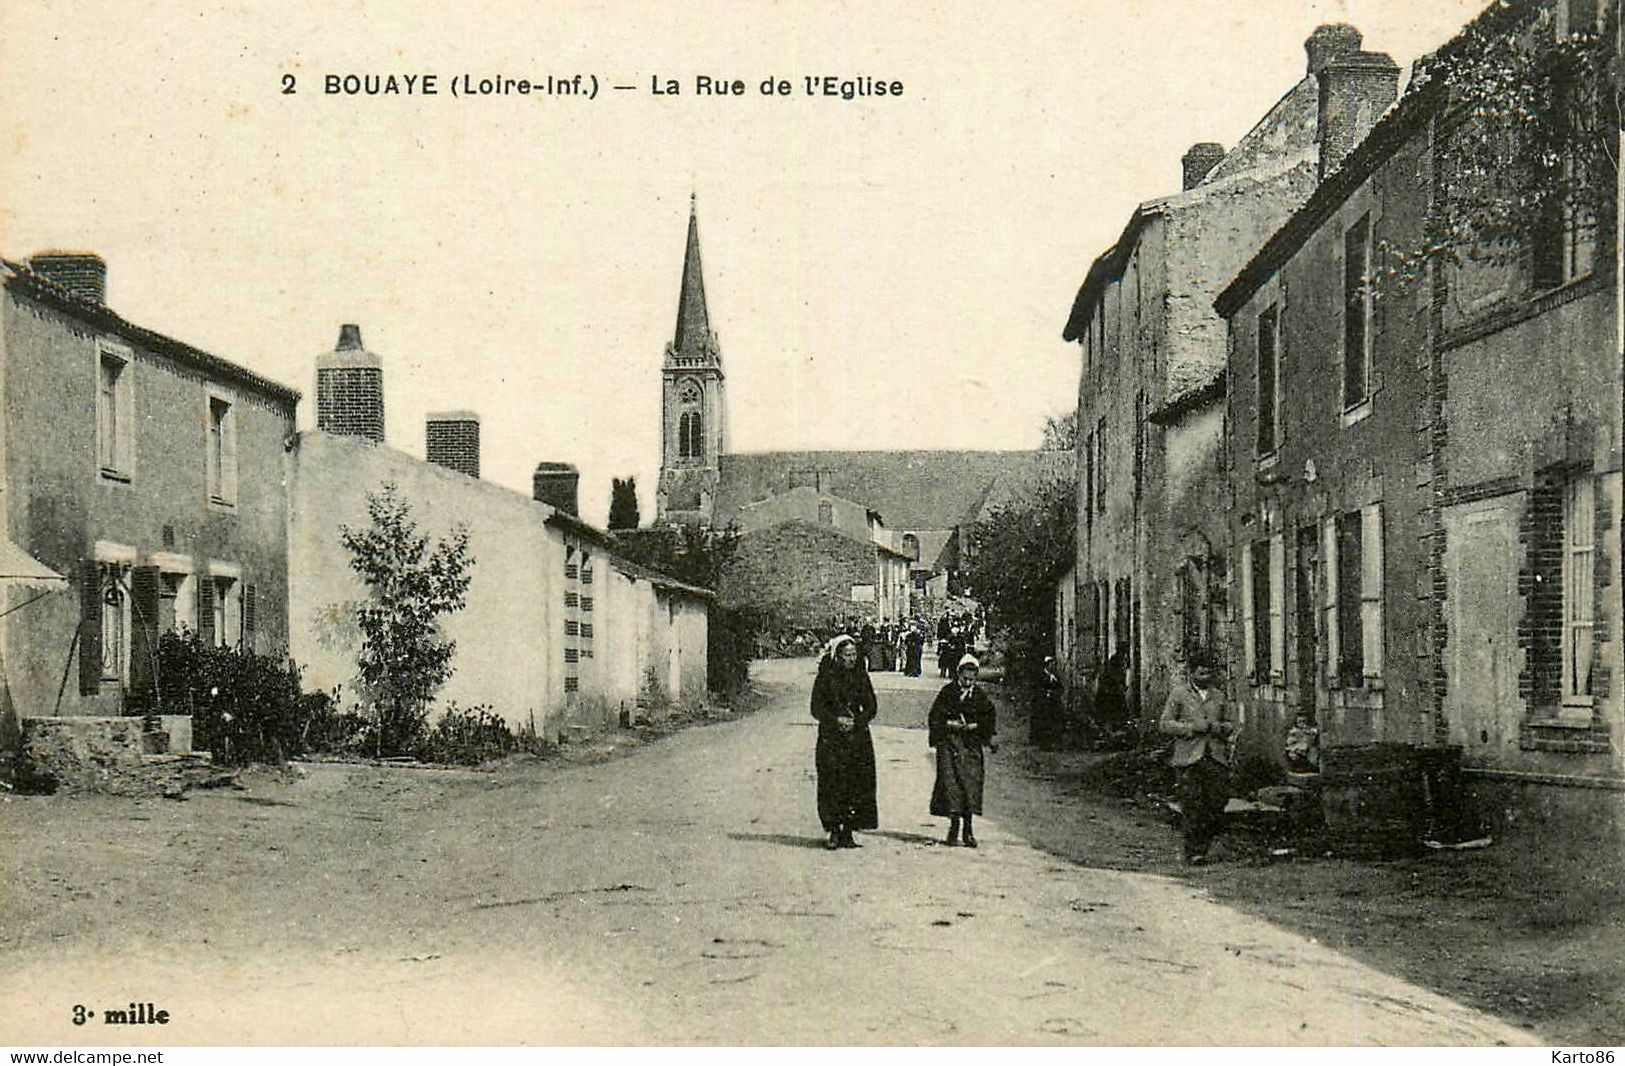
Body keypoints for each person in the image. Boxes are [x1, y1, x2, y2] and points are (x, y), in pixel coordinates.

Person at [1158, 651, 1234, 865]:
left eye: (1208, 673)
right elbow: (1165, 724)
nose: (1205, 677)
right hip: (1188, 758)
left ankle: (1204, 843)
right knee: (1192, 804)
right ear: (1192, 673)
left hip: (1215, 757)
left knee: (1216, 802)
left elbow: (1231, 724)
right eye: (1201, 673)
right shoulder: (1179, 695)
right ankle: (1194, 851)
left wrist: (1217, 728)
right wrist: (1191, 728)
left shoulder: (1219, 696)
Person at [811, 634, 879, 850]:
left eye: (854, 654)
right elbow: (816, 708)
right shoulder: (825, 677)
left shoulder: (861, 676)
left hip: (857, 737)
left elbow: (871, 706)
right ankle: (833, 831)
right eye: (846, 655)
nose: (851, 659)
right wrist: (835, 720)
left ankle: (848, 831)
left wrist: (857, 721)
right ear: (837, 657)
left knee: (855, 783)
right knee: (832, 782)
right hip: (831, 738)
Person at [928, 653, 997, 847]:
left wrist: (976, 727)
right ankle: (954, 827)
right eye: (964, 678)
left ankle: (968, 830)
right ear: (958, 674)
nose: (967, 682)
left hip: (971, 747)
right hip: (950, 745)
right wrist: (950, 723)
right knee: (952, 788)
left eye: (971, 679)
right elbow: (934, 716)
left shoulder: (980, 696)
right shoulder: (948, 692)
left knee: (970, 787)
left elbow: (989, 718)